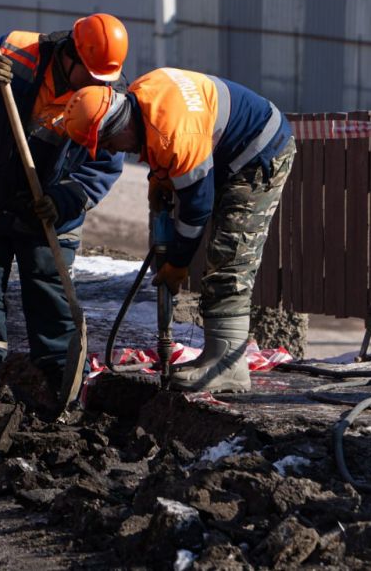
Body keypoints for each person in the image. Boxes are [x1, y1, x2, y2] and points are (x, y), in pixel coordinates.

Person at [60, 67, 295, 393]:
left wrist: (177, 265)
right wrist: (160, 178)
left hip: (259, 149)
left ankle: (228, 365)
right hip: (223, 145)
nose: (113, 151)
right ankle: (215, 355)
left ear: (119, 124)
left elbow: (196, 212)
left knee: (230, 253)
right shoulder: (142, 100)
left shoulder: (176, 135)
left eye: (110, 143)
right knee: (211, 245)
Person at [0, 13, 129, 390]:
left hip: (49, 211)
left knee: (52, 299)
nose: (96, 83)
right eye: (90, 74)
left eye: (103, 78)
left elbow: (104, 167)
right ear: (69, 56)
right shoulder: (19, 51)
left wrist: (64, 199)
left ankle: (58, 385)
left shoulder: (108, 96)